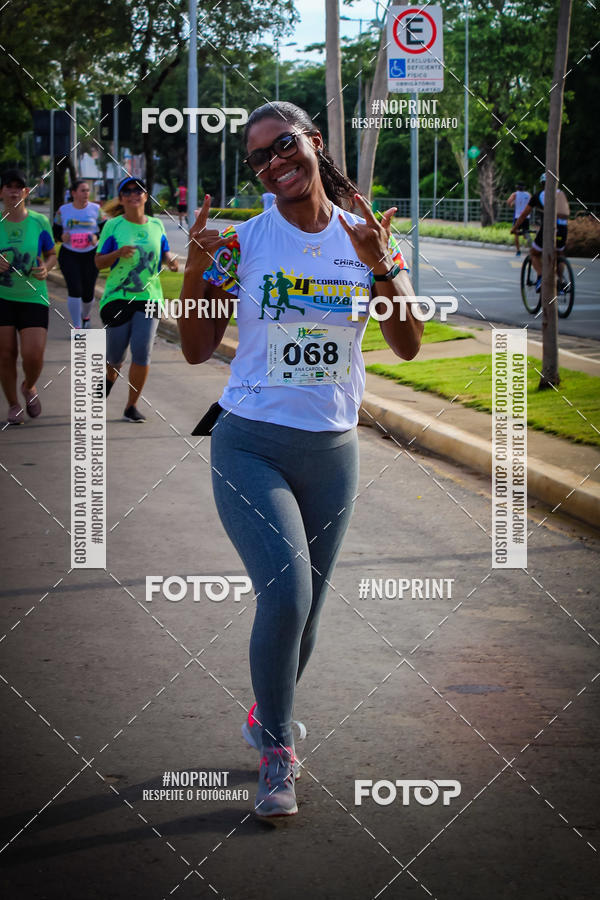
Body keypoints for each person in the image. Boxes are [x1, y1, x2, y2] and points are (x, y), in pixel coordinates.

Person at [179, 101, 423, 817]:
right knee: (285, 595)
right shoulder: (242, 242)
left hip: (333, 450)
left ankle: (267, 712)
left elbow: (409, 345)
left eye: (283, 144)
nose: (274, 162)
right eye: (258, 157)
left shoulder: (366, 236)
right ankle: (278, 751)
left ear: (313, 142)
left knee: (307, 612)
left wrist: (383, 268)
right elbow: (195, 349)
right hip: (249, 441)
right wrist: (196, 268)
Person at [95, 176, 178, 422]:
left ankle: (131, 406)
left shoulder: (157, 225)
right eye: (128, 191)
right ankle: (106, 382)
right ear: (121, 199)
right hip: (117, 297)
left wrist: (171, 261)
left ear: (145, 196)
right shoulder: (113, 226)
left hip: (150, 297)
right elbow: (98, 262)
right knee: (115, 358)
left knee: (142, 352)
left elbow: (164, 252)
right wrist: (118, 253)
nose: (134, 194)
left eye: (138, 190)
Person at [0, 169, 57, 425]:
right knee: (5, 354)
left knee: (34, 355)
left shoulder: (39, 222)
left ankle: (29, 385)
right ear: (1, 192)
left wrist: (47, 268)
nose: (14, 191)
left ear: (26, 192)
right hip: (3, 297)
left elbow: (51, 254)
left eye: (19, 187)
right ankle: (13, 404)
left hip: (34, 296)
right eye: (9, 186)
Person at [55, 179, 104, 328]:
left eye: (88, 190)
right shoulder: (63, 210)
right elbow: (55, 230)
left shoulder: (96, 209)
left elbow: (105, 229)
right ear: (73, 193)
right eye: (83, 190)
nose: (86, 193)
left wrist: (96, 237)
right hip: (69, 254)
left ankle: (86, 317)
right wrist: (61, 237)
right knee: (75, 289)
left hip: (91, 254)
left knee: (88, 291)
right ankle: (77, 326)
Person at [512, 173, 570, 291]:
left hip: (549, 229)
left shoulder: (539, 195)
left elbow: (523, 215)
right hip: (563, 229)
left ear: (542, 184)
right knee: (560, 253)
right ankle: (561, 281)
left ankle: (540, 278)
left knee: (534, 253)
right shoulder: (561, 193)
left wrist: (514, 228)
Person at [507, 182, 531, 255]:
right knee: (526, 233)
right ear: (524, 187)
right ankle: (531, 248)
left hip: (518, 217)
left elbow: (508, 202)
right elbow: (532, 203)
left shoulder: (515, 194)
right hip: (526, 217)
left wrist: (511, 204)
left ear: (517, 186)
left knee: (516, 233)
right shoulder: (528, 194)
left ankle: (518, 251)